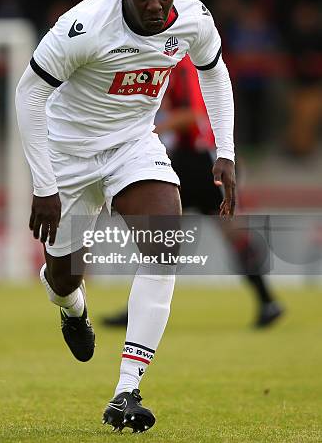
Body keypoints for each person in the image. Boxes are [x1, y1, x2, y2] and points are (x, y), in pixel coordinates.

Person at [15, 0, 235, 433]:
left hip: (132, 143)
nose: (155, 5)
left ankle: (126, 391)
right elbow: (29, 93)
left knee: (164, 246)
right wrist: (44, 185)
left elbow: (214, 72)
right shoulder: (86, 25)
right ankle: (74, 311)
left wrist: (227, 151)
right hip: (66, 153)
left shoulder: (194, 18)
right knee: (63, 279)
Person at [103, 56, 284, 329]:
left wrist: (144, 130)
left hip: (198, 161)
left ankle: (138, 311)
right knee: (191, 231)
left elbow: (190, 115)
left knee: (163, 233)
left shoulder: (182, 64)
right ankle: (267, 301)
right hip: (193, 159)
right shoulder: (179, 61)